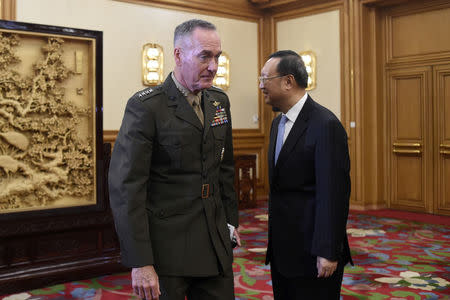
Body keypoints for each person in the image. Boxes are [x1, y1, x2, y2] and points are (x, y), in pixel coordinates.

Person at [108, 19, 240, 300]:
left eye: (217, 56)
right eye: (205, 56)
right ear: (178, 55)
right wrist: (140, 261)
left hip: (214, 242)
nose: (214, 66)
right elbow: (126, 189)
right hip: (167, 249)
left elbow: (224, 169)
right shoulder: (147, 106)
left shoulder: (218, 101)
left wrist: (230, 222)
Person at [261, 50, 353, 299]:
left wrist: (328, 250)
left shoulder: (325, 125)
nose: (261, 86)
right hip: (283, 251)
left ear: (288, 81)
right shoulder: (277, 124)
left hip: (314, 255)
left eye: (265, 79)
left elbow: (333, 194)